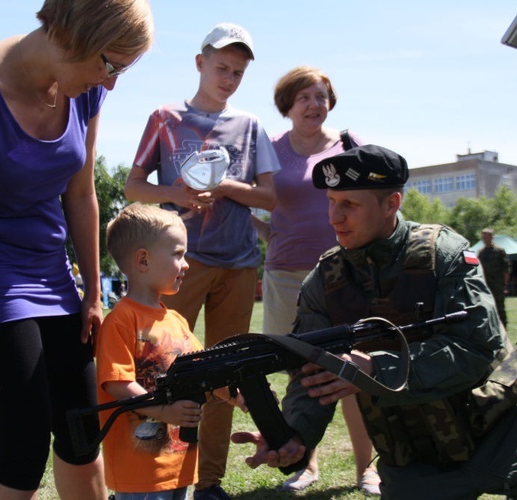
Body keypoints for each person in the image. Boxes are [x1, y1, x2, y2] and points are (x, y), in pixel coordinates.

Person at [231, 145, 517, 499]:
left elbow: (478, 348)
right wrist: (296, 437)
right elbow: (312, 375)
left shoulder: (444, 253)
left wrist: (376, 368)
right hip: (414, 455)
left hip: (497, 426)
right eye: (331, 202)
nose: (334, 217)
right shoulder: (325, 280)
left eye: (349, 205)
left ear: (392, 203)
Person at [0, 1, 154, 498]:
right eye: (110, 65)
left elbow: (81, 195)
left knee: (84, 428)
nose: (111, 84)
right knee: (22, 447)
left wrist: (91, 291)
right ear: (70, 35)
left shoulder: (82, 93)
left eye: (124, 70)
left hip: (52, 275)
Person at [124, 22, 280, 500]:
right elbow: (133, 187)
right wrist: (175, 193)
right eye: (221, 67)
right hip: (178, 265)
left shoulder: (251, 126)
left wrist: (229, 187)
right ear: (200, 63)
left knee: (226, 374)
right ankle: (153, 478)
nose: (228, 77)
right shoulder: (165, 118)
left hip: (237, 263)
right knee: (162, 370)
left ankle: (209, 481)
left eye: (237, 71)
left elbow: (271, 198)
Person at [249, 66, 378, 494]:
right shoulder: (267, 149)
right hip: (284, 275)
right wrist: (270, 233)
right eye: (304, 97)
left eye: (321, 96)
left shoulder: (348, 144)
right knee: (298, 373)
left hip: (345, 273)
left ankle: (369, 468)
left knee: (355, 371)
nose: (314, 105)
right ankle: (306, 464)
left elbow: (379, 197)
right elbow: (247, 199)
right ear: (287, 104)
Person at [96, 203, 243, 500]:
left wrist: (238, 394)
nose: (186, 263)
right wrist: (165, 411)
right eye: (178, 254)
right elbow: (118, 384)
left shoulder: (176, 321)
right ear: (143, 261)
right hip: (140, 471)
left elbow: (206, 372)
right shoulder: (121, 320)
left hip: (180, 462)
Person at [478, 228, 510, 327]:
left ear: (492, 237)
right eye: (483, 237)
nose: (484, 239)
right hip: (485, 285)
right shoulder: (481, 252)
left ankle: (503, 328)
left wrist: (504, 284)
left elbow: (506, 269)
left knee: (500, 308)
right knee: (486, 307)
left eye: (486, 237)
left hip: (497, 284)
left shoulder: (499, 251)